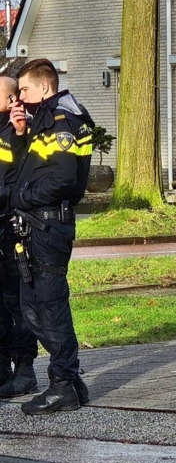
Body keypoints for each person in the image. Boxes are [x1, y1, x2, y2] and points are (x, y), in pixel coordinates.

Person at [7, 59, 92, 414]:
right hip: (38, 226)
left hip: (47, 226)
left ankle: (62, 385)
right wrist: (22, 132)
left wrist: (21, 197)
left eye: (23, 89)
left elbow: (63, 178)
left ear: (44, 86)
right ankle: (69, 381)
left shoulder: (62, 119)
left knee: (47, 306)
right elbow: (34, 164)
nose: (19, 97)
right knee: (33, 307)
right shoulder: (47, 116)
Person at [0, 77, 38, 398]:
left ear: (12, 98)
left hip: (13, 229)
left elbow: (22, 174)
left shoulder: (21, 129)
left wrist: (21, 132)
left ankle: (24, 369)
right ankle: (1, 368)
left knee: (19, 301)